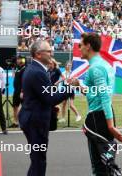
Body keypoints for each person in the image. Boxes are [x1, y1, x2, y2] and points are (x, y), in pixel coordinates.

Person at [70, 33, 122, 176]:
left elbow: (105, 96)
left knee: (101, 167)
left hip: (98, 118)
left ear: (88, 46)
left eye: (80, 45)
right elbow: (94, 93)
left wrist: (111, 126)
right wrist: (79, 86)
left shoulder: (95, 68)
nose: (79, 48)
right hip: (102, 115)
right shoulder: (103, 65)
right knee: (105, 162)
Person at [19, 40, 73, 176]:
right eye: (48, 51)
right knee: (39, 160)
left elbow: (43, 96)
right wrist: (70, 88)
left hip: (32, 118)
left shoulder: (34, 69)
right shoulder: (37, 72)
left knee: (36, 159)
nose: (51, 53)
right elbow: (51, 98)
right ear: (38, 54)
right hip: (35, 121)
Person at [9, 55, 26, 128]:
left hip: (22, 90)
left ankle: (23, 121)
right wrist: (13, 68)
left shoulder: (25, 68)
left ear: (23, 60)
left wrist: (22, 91)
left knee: (23, 107)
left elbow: (25, 81)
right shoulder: (18, 68)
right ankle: (15, 122)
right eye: (17, 59)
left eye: (19, 59)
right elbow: (13, 76)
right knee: (15, 106)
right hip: (16, 90)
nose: (17, 60)